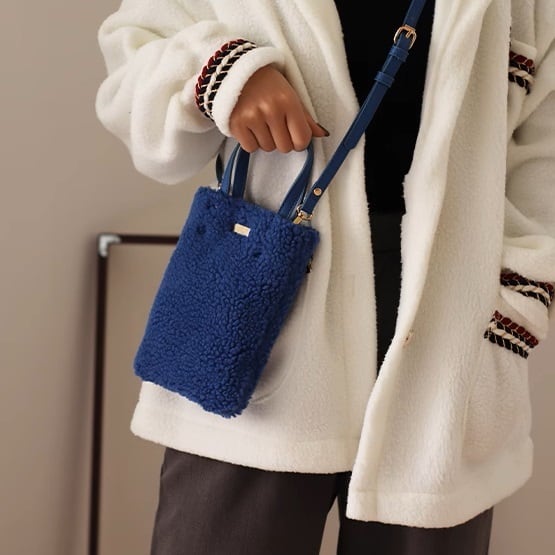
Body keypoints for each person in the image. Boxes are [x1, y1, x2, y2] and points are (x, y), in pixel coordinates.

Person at [94, 1, 555, 553]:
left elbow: (542, 153)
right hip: (263, 308)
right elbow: (131, 62)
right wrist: (223, 73)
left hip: (452, 324)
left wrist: (517, 307)